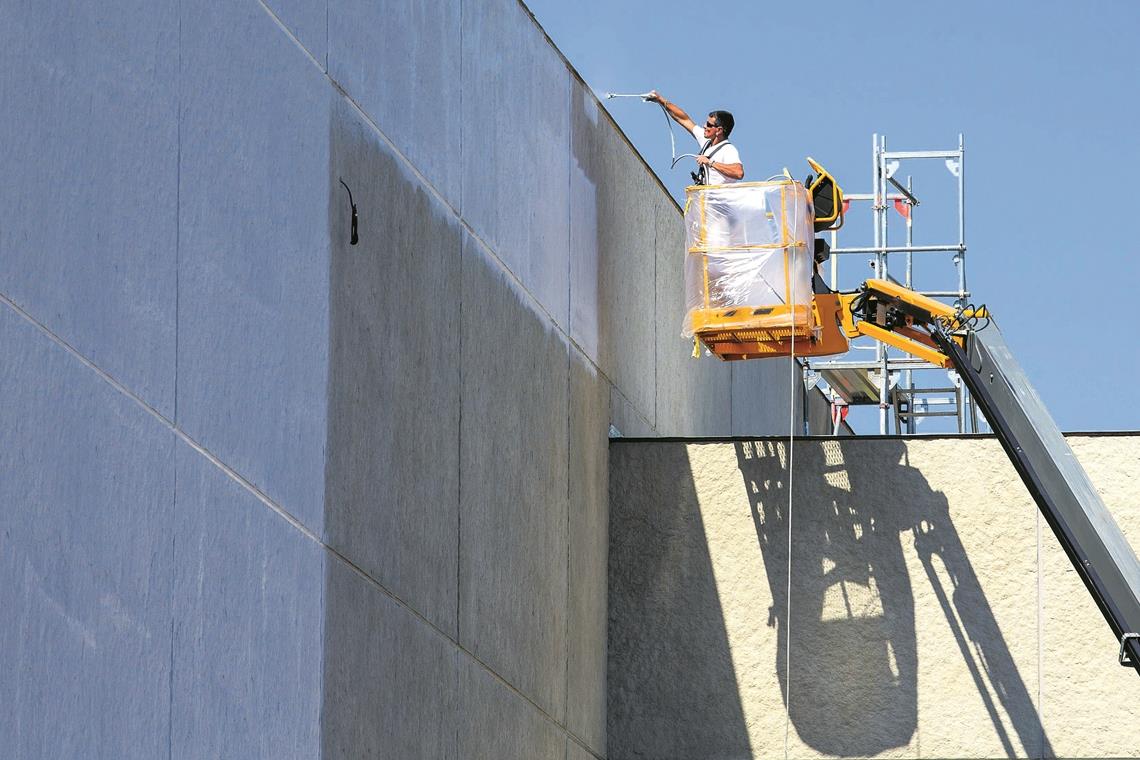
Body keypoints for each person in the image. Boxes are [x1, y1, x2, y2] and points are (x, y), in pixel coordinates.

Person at [646, 91, 744, 185]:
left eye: (709, 125)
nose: (704, 126)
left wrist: (710, 162)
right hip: (704, 197)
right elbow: (683, 119)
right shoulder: (707, 140)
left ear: (719, 130)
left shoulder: (728, 150)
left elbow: (738, 172)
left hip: (719, 200)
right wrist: (660, 99)